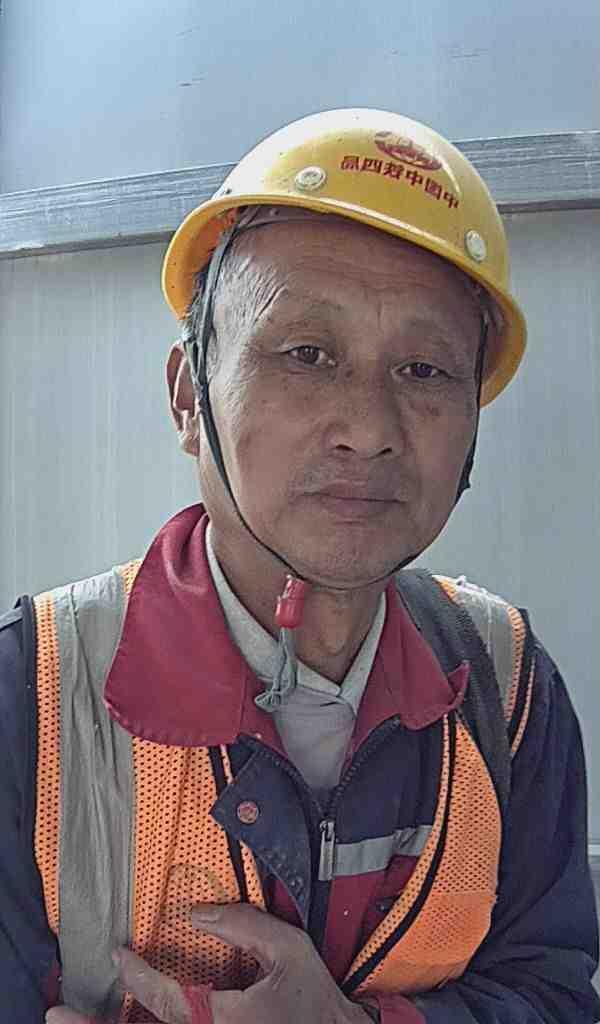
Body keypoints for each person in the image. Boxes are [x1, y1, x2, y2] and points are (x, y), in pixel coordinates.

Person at [1, 109, 598, 1024]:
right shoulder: (33, 696)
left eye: (426, 371)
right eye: (307, 354)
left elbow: (552, 992)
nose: (368, 429)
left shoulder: (507, 686)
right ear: (189, 396)